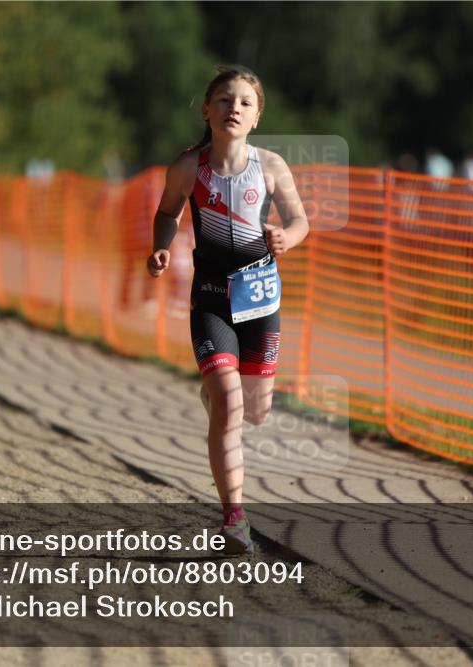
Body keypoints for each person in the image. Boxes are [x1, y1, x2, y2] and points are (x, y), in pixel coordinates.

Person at [147, 65, 309, 555]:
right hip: (212, 298)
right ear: (206, 110)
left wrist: (287, 237)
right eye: (223, 99)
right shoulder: (188, 167)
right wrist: (160, 247)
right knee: (229, 401)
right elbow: (167, 211)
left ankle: (219, 395)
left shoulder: (271, 166)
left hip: (260, 300)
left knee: (255, 411)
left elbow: (300, 220)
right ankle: (234, 518)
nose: (232, 108)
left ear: (257, 117)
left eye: (244, 102)